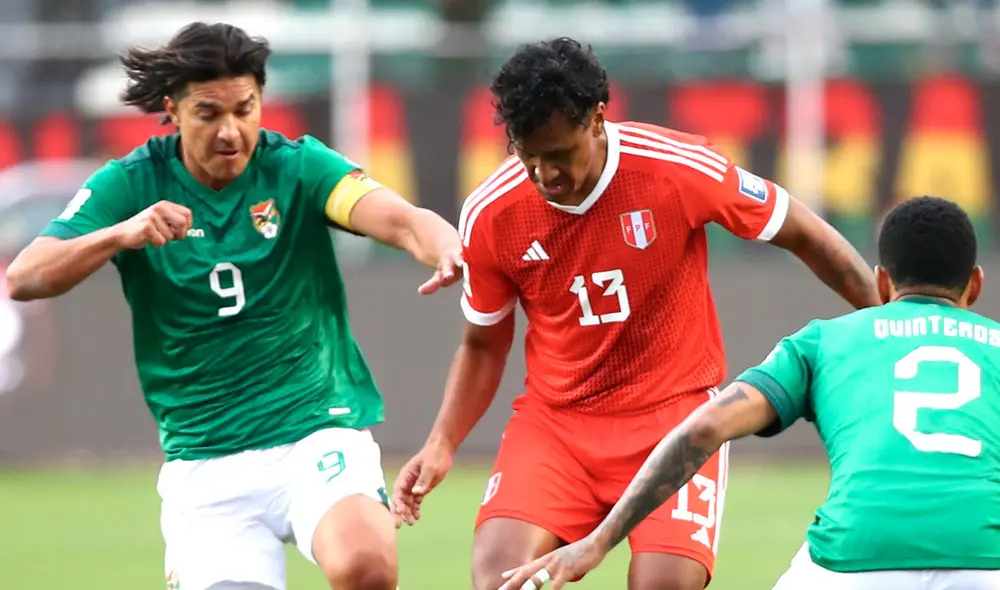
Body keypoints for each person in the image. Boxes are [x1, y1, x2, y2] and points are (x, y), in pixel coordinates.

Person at [392, 37, 880, 590]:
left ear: (598, 119)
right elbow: (483, 343)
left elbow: (803, 232)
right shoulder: (491, 211)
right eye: (529, 159)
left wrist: (890, 323)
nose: (545, 175)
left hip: (676, 421)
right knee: (499, 581)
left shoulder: (678, 168)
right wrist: (442, 441)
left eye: (559, 155)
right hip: (557, 427)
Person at [4, 22, 462, 590]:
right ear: (172, 110)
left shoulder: (297, 167)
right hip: (205, 460)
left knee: (365, 566)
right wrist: (121, 234)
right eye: (209, 113)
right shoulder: (130, 184)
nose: (231, 131)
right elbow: (25, 277)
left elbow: (400, 219)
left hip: (314, 431)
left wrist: (444, 246)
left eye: (245, 110)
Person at [499, 196, 1000, 590]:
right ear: (974, 285)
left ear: (881, 281)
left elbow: (704, 429)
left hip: (853, 562)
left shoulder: (824, 341)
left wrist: (599, 540)